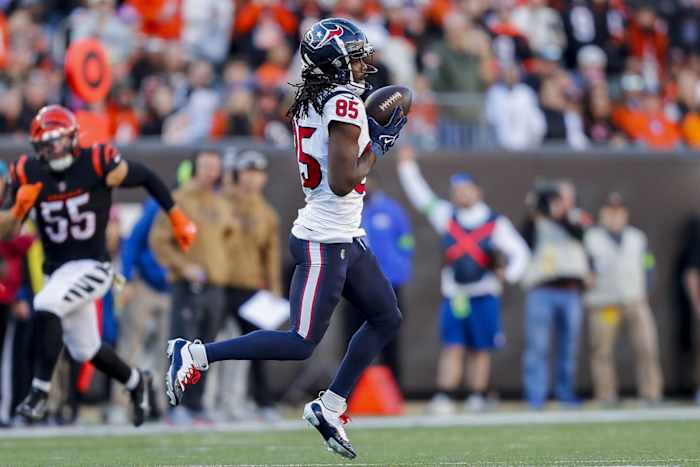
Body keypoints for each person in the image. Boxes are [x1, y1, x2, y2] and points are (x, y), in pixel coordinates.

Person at [165, 18, 407, 459]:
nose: (362, 64)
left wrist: (370, 138)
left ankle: (330, 407)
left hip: (344, 234)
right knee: (300, 341)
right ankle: (196, 354)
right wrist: (379, 145)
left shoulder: (318, 98)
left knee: (386, 316)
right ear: (334, 64)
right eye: (354, 57)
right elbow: (340, 180)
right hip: (325, 239)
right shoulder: (342, 103)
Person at [0, 105, 196, 426]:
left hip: (93, 266)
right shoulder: (29, 172)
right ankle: (137, 382)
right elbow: (8, 231)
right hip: (58, 270)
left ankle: (39, 392)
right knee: (84, 349)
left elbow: (144, 175)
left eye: (59, 140)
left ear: (73, 137)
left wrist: (176, 216)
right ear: (37, 148)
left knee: (46, 303)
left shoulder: (96, 162)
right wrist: (16, 211)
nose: (54, 149)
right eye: (47, 143)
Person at [397, 146, 529, 413]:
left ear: (477, 191)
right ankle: (445, 396)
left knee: (481, 349)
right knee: (453, 346)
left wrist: (509, 274)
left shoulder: (495, 223)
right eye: (457, 190)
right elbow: (422, 197)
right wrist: (407, 167)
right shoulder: (446, 216)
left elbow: (521, 253)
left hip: (484, 293)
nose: (461, 194)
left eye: (466, 188)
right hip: (456, 295)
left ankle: (478, 395)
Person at [150, 150, 235, 425]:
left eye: (215, 167)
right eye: (206, 167)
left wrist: (221, 267)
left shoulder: (221, 202)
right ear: (195, 168)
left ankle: (197, 405)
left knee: (205, 349)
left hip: (215, 286)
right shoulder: (180, 199)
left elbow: (227, 237)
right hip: (187, 285)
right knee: (181, 345)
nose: (211, 172)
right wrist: (183, 266)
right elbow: (159, 239)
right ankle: (176, 406)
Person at [584, 193, 663, 404]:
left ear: (625, 214)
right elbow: (584, 267)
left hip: (634, 300)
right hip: (604, 303)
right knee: (602, 351)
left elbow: (648, 265)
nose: (614, 217)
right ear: (603, 214)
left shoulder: (637, 238)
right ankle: (606, 394)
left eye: (619, 212)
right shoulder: (591, 238)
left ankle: (651, 392)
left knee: (647, 348)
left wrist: (646, 289)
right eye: (610, 212)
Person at [221, 149, 281, 418]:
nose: (252, 178)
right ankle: (210, 403)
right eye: (247, 172)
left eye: (257, 173)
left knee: (256, 348)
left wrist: (274, 288)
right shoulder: (222, 204)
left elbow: (272, 254)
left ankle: (260, 402)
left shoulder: (267, 213)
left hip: (251, 287)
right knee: (214, 345)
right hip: (221, 284)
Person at [521, 181, 590, 408]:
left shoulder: (578, 216)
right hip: (542, 289)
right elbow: (525, 241)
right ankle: (536, 396)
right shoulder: (537, 220)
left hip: (570, 290)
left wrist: (560, 215)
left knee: (568, 347)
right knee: (537, 346)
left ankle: (565, 392)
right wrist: (534, 210)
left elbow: (580, 234)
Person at [342, 172, 414, 386]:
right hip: (355, 286)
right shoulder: (348, 212)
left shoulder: (392, 211)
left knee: (389, 338)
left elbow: (406, 243)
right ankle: (347, 393)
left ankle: (393, 390)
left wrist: (398, 269)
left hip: (388, 284)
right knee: (352, 338)